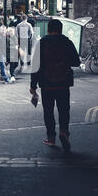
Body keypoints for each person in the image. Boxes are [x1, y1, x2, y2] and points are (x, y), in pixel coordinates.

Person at [30, 19, 80, 151]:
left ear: (48, 29)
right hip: (63, 83)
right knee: (64, 110)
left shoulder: (42, 43)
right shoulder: (67, 42)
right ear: (61, 29)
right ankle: (64, 132)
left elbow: (35, 65)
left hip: (46, 84)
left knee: (48, 111)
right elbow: (76, 61)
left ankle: (51, 138)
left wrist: (33, 85)